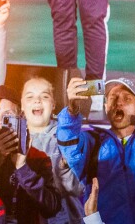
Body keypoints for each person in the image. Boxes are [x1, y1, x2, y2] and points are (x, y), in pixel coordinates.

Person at [56, 0, 135, 224]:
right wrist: (71, 110)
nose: (118, 102)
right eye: (112, 98)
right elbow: (69, 146)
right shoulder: (93, 142)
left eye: (127, 98)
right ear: (106, 107)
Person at [0, 85, 62, 223]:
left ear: (20, 117)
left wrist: (22, 167)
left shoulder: (37, 157)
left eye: (7, 116)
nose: (0, 122)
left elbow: (51, 208)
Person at [21, 76, 85, 223]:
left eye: (44, 96)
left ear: (53, 104)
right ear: (22, 105)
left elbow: (78, 189)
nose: (37, 100)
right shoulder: (12, 139)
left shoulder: (67, 137)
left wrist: (64, 171)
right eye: (30, 97)